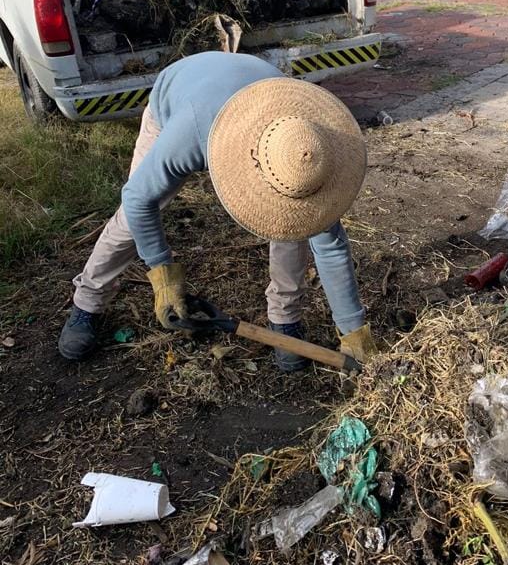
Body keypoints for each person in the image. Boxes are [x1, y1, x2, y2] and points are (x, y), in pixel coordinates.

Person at [58, 51, 377, 371]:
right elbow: (137, 198)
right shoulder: (190, 135)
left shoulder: (306, 144)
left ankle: (285, 319)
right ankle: (88, 301)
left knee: (294, 219)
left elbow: (331, 247)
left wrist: (354, 333)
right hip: (183, 95)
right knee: (134, 216)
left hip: (266, 98)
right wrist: (163, 275)